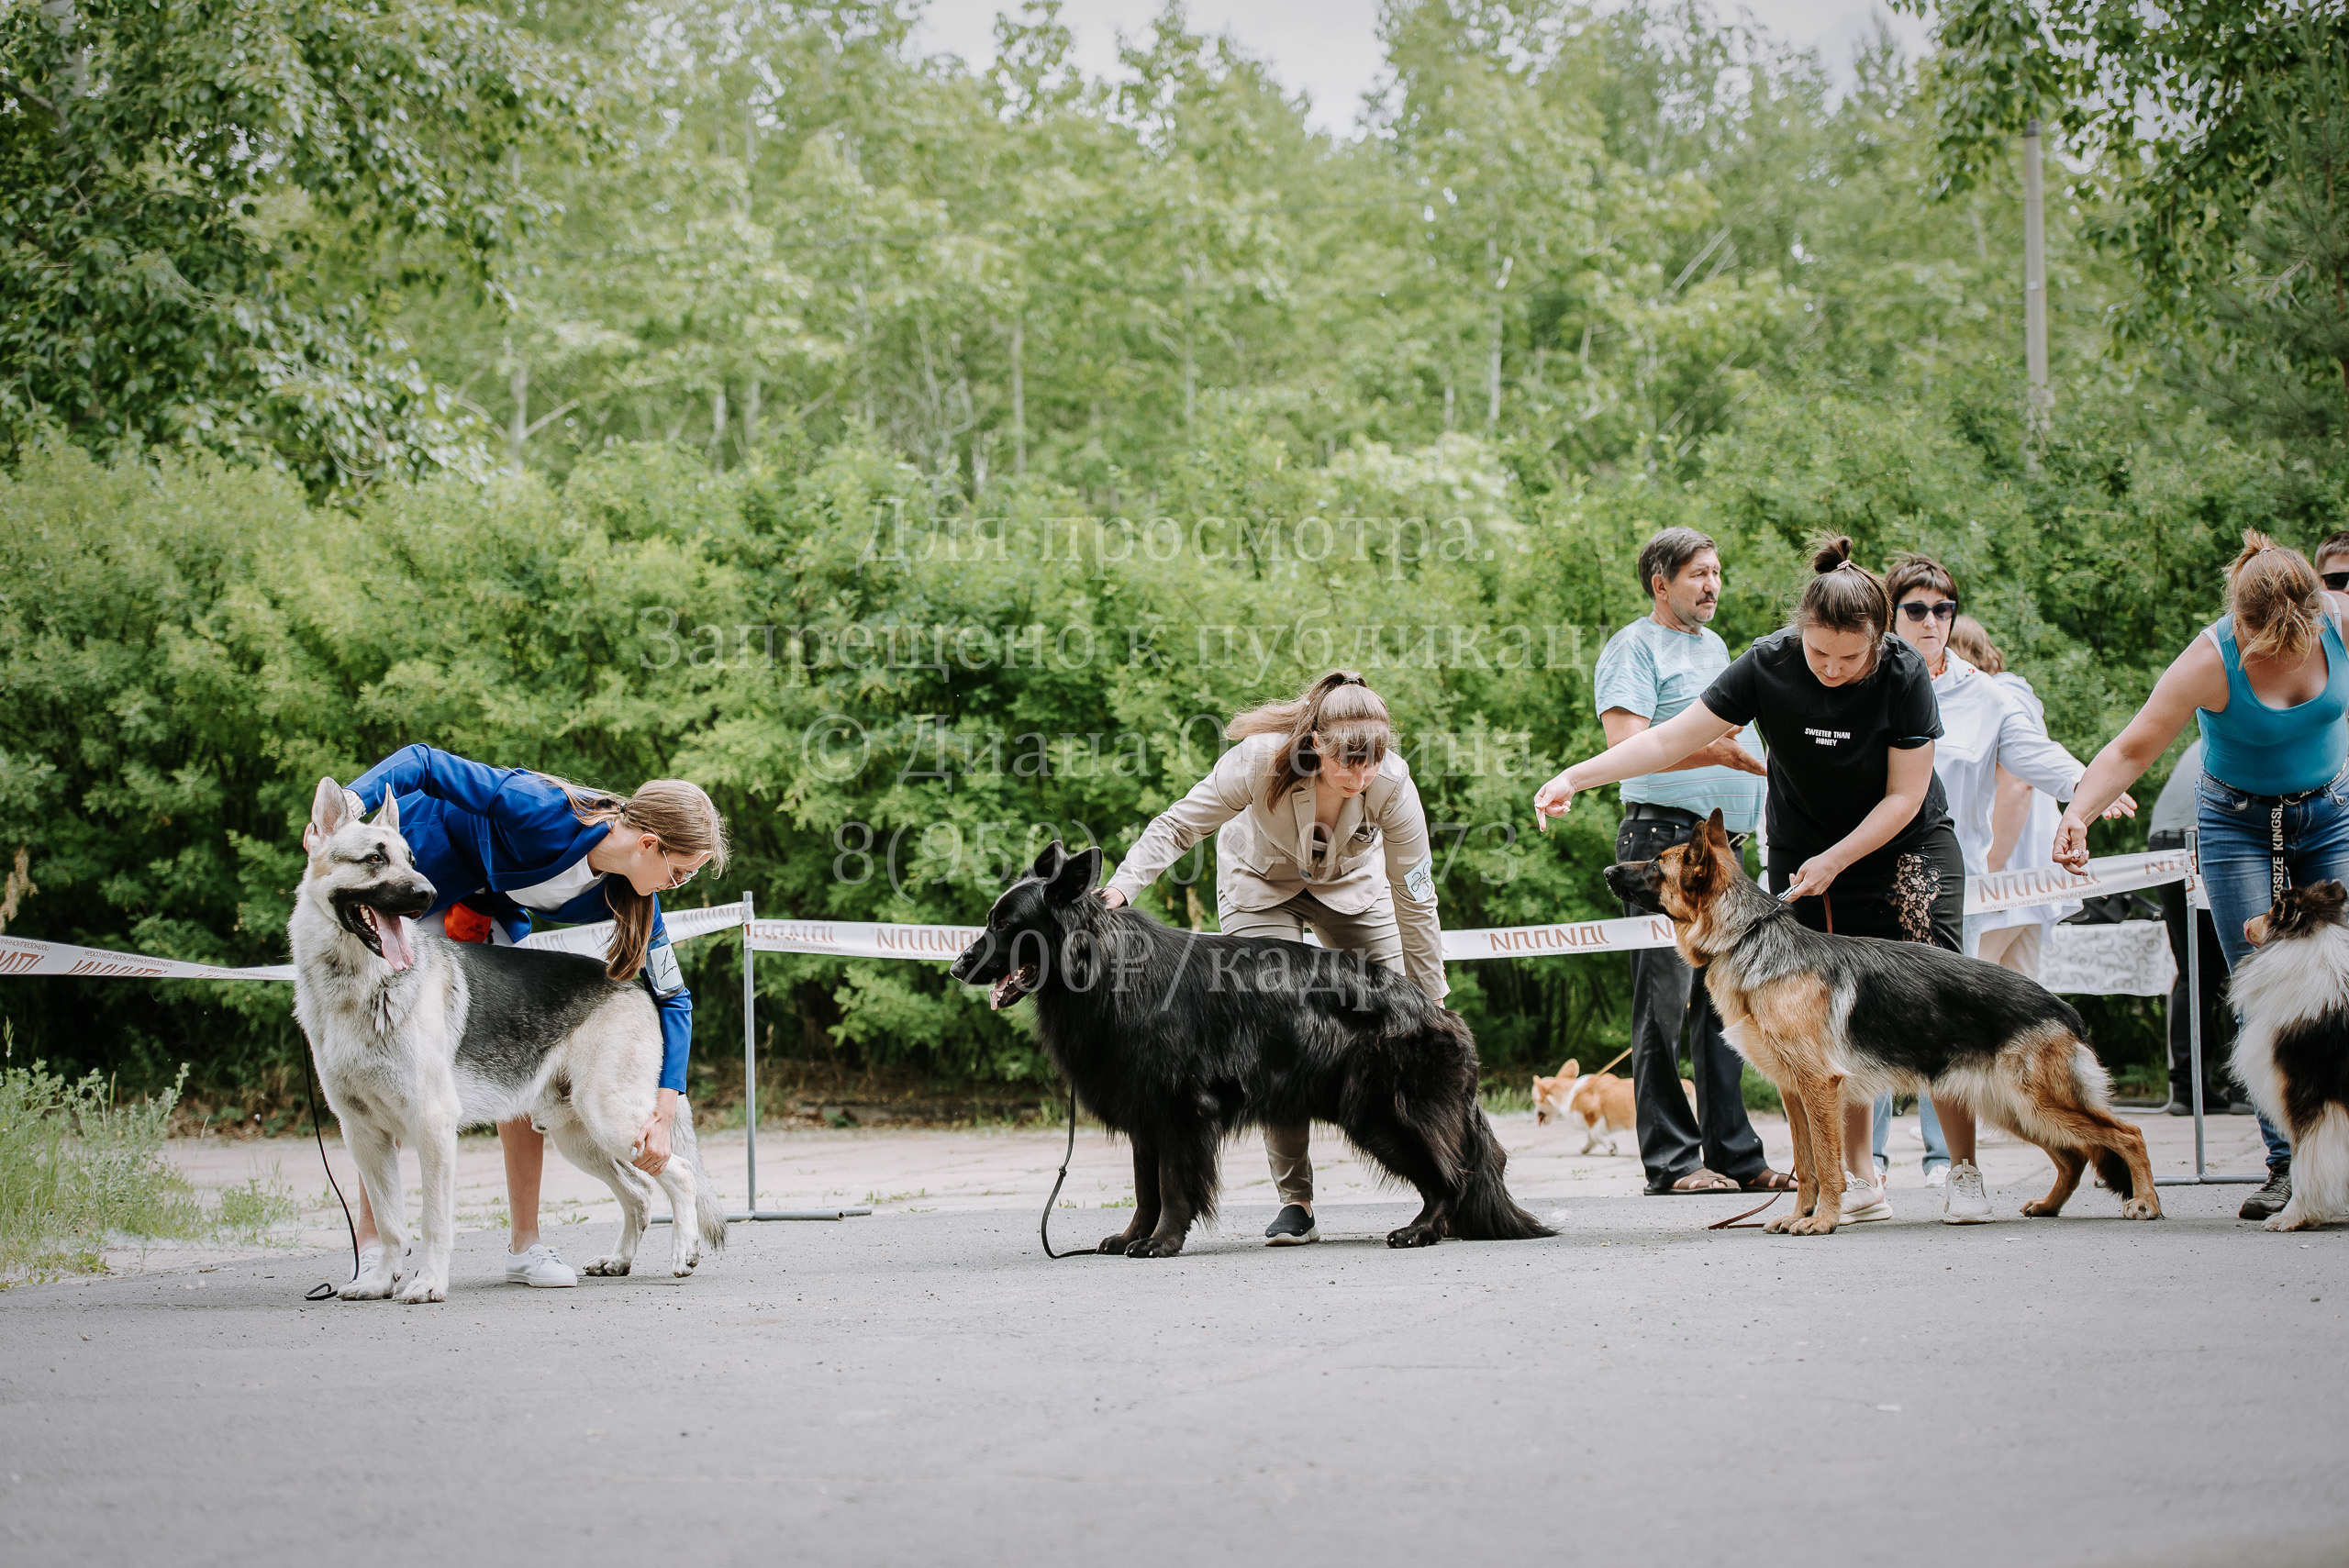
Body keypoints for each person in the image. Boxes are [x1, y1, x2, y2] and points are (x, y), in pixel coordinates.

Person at [1536, 537, 1965, 1226]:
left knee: (1944, 995)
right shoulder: (1767, 660)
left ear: (1878, 641)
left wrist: (1839, 858)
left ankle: (1963, 1170)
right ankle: (1853, 1180)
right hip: (1807, 844)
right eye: (1817, 652)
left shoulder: (1905, 669)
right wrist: (1573, 777)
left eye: (1848, 657)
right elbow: (1665, 739)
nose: (1829, 668)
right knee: (1821, 1032)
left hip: (1903, 839)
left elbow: (1903, 796)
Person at [331, 747, 729, 1285]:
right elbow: (425, 762)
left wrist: (665, 1105)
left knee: (520, 1049)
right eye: (679, 873)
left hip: (487, 912)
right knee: (390, 1061)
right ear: (650, 845)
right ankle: (377, 1244)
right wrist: (355, 805)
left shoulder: (633, 897)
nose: (676, 886)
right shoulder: (538, 806)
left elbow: (673, 997)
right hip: (418, 877)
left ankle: (526, 1244)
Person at [2055, 531, 2349, 1222]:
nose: (2281, 656)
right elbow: (2133, 745)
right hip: (2238, 823)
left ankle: (2333, 1152)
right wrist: (2078, 814)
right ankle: (2285, 1167)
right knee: (2260, 985)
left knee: (2341, 981)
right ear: (2241, 624)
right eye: (2265, 644)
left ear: (2319, 615)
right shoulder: (2209, 656)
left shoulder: (2339, 626)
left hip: (2331, 812)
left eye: (2296, 641)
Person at [1101, 672, 1445, 1246]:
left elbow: (1415, 891)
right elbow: (1179, 824)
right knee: (1276, 1040)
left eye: (1372, 762)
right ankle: (1297, 1202)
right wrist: (1119, 889)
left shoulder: (1390, 783)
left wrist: (1432, 995)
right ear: (1314, 745)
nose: (1362, 776)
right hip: (1259, 885)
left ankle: (1461, 1184)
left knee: (1414, 1025)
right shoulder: (1258, 761)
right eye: (1348, 762)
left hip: (1352, 891)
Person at [1878, 557, 2133, 1223]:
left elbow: (2034, 754)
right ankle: (1858, 1175)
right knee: (1860, 1027)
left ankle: (1959, 1169)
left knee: (1946, 1034)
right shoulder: (1864, 678)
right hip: (1865, 869)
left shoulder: (1985, 696)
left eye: (1943, 608)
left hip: (1945, 879)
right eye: (1917, 609)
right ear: (1890, 613)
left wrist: (2091, 787)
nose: (1932, 621)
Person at [1588, 527, 1789, 1197]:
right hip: (1661, 846)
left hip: (1722, 855)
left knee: (1726, 1004)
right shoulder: (1633, 647)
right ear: (1661, 582)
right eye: (1699, 573)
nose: (1713, 585)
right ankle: (1673, 1161)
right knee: (1663, 1008)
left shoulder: (1719, 649)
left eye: (1717, 572)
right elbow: (1628, 745)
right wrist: (1719, 754)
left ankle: (1734, 1152)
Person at [2142, 740, 2241, 1116]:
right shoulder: (2250, 732)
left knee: (2193, 972)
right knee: (2242, 965)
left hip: (2164, 843)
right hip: (2207, 839)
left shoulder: (2207, 736)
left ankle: (2188, 1089)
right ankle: (2245, 1088)